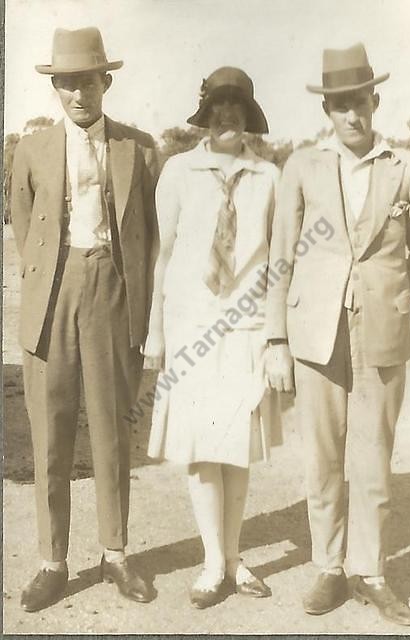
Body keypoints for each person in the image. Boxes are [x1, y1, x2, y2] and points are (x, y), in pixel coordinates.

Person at [265, 43, 410, 626]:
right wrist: (277, 339)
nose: (352, 115)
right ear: (328, 110)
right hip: (315, 332)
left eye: (359, 102)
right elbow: (281, 258)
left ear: (375, 99)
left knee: (373, 457)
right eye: (340, 105)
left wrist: (389, 302)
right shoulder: (302, 166)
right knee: (323, 456)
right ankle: (329, 567)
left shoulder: (408, 166)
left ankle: (371, 571)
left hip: (381, 335)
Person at [11, 27, 159, 611]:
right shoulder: (33, 148)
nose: (78, 94)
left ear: (107, 82)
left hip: (113, 292)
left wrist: (133, 301)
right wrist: (51, 271)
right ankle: (52, 561)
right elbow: (24, 222)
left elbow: (148, 234)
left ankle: (116, 555)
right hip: (52, 292)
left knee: (112, 430)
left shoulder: (139, 148)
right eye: (67, 84)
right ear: (56, 88)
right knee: (50, 433)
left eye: (87, 82)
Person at [144, 67, 282, 608]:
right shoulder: (178, 171)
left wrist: (275, 338)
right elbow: (163, 254)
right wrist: (156, 332)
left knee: (237, 452)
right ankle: (211, 564)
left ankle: (235, 558)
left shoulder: (268, 177)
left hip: (246, 330)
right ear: (205, 115)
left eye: (237, 106)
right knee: (202, 451)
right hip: (192, 330)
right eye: (218, 106)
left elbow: (278, 261)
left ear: (249, 116)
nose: (227, 115)